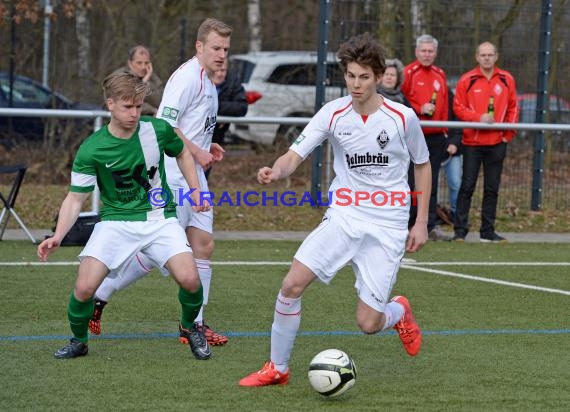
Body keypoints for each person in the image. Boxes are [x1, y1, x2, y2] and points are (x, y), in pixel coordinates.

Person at [239, 32, 431, 387]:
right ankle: (278, 368)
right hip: (344, 216)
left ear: (378, 77)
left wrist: (420, 222)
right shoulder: (333, 113)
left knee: (368, 324)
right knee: (292, 285)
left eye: (364, 77)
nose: (356, 84)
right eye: (350, 76)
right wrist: (276, 169)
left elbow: (422, 165)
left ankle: (399, 311)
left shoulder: (402, 119)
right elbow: (296, 153)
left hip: (387, 225)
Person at [37, 71, 212, 360]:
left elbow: (182, 153)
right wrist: (58, 235)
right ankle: (79, 341)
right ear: (110, 104)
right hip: (115, 222)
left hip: (159, 218)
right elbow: (75, 198)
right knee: (84, 288)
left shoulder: (157, 130)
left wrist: (195, 190)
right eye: (127, 107)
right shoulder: (92, 148)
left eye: (138, 106)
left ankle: (188, 326)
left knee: (191, 280)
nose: (134, 113)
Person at [88, 18, 231, 347]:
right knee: (158, 252)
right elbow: (164, 124)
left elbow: (191, 125)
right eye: (216, 48)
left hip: (194, 176)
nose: (222, 54)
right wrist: (195, 150)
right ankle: (100, 295)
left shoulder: (208, 81)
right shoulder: (186, 79)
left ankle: (194, 324)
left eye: (225, 49)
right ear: (199, 47)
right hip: (172, 175)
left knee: (204, 244)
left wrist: (207, 146)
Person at [452, 41, 518, 243]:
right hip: (472, 143)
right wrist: (477, 118)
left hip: (497, 143)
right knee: (467, 186)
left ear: (496, 56)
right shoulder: (467, 79)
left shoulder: (506, 79)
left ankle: (487, 232)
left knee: (492, 188)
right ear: (477, 57)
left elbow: (513, 108)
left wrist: (507, 134)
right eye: (483, 55)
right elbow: (458, 107)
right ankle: (460, 231)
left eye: (490, 55)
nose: (487, 58)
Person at [402, 34, 452, 241]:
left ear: (436, 53)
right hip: (414, 136)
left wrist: (446, 132)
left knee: (430, 183)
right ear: (416, 51)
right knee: (410, 182)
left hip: (436, 138)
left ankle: (429, 225)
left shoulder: (440, 74)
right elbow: (400, 102)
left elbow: (445, 105)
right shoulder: (407, 73)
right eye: (423, 50)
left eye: (430, 51)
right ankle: (406, 224)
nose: (427, 54)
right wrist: (419, 108)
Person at [205, 59, 248, 180]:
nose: (219, 74)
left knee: (203, 177)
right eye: (216, 70)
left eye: (223, 70)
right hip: (194, 137)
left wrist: (216, 106)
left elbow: (242, 107)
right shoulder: (199, 81)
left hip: (215, 138)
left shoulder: (232, 81)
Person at [114, 45, 164, 116]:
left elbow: (159, 101)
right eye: (139, 63)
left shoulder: (153, 78)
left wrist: (146, 82)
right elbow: (128, 102)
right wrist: (152, 110)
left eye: (146, 63)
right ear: (130, 63)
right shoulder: (120, 77)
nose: (143, 67)